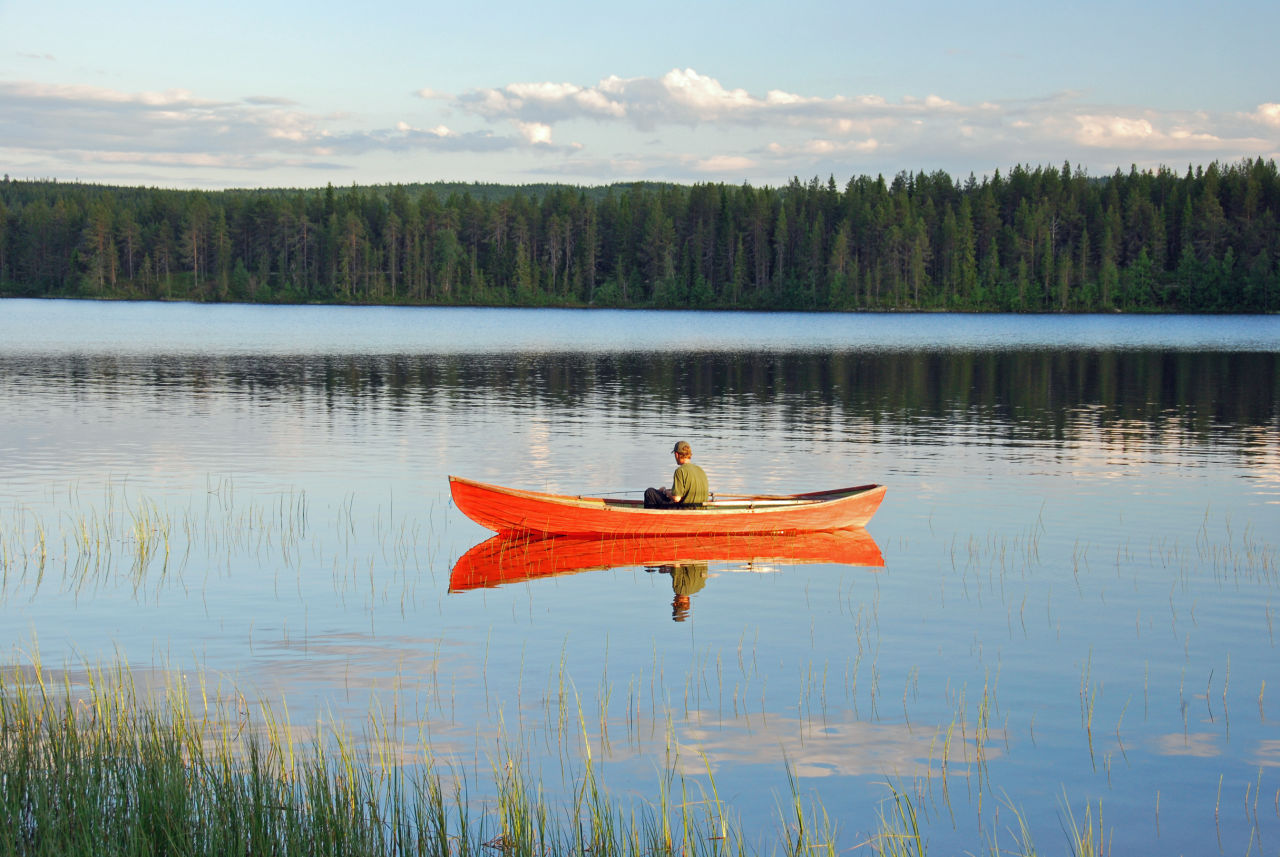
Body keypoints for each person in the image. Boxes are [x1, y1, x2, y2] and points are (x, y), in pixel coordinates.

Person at [644, 441, 710, 508]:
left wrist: (664, 491)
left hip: (686, 511)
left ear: (676, 454)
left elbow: (676, 498)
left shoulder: (680, 470)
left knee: (650, 492)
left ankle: (653, 517)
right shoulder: (700, 470)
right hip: (701, 509)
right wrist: (671, 492)